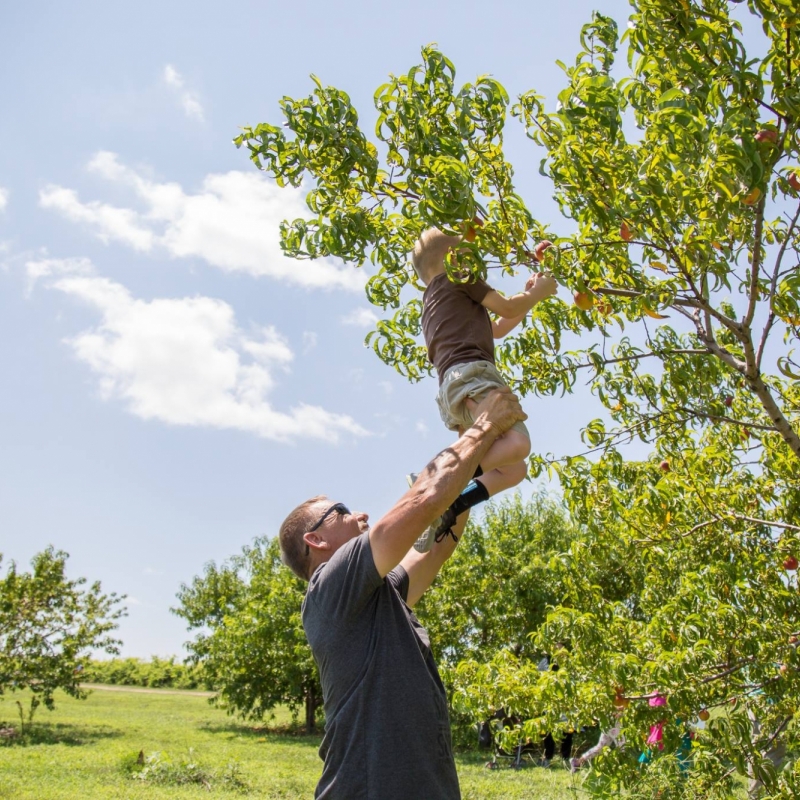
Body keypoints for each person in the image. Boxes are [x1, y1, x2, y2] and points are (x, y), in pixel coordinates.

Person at [279, 388, 527, 800]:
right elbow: (420, 501)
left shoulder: (379, 598)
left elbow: (436, 542)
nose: (359, 514)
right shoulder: (328, 588)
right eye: (341, 509)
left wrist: (461, 487)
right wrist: (482, 427)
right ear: (315, 539)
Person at [409, 226, 557, 550]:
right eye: (467, 252)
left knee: (513, 470)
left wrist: (526, 298)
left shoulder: (433, 300)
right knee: (517, 442)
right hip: (472, 375)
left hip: (452, 389)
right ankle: (436, 486)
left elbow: (499, 327)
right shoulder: (459, 277)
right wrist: (539, 291)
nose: (474, 259)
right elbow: (504, 307)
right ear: (453, 258)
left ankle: (452, 502)